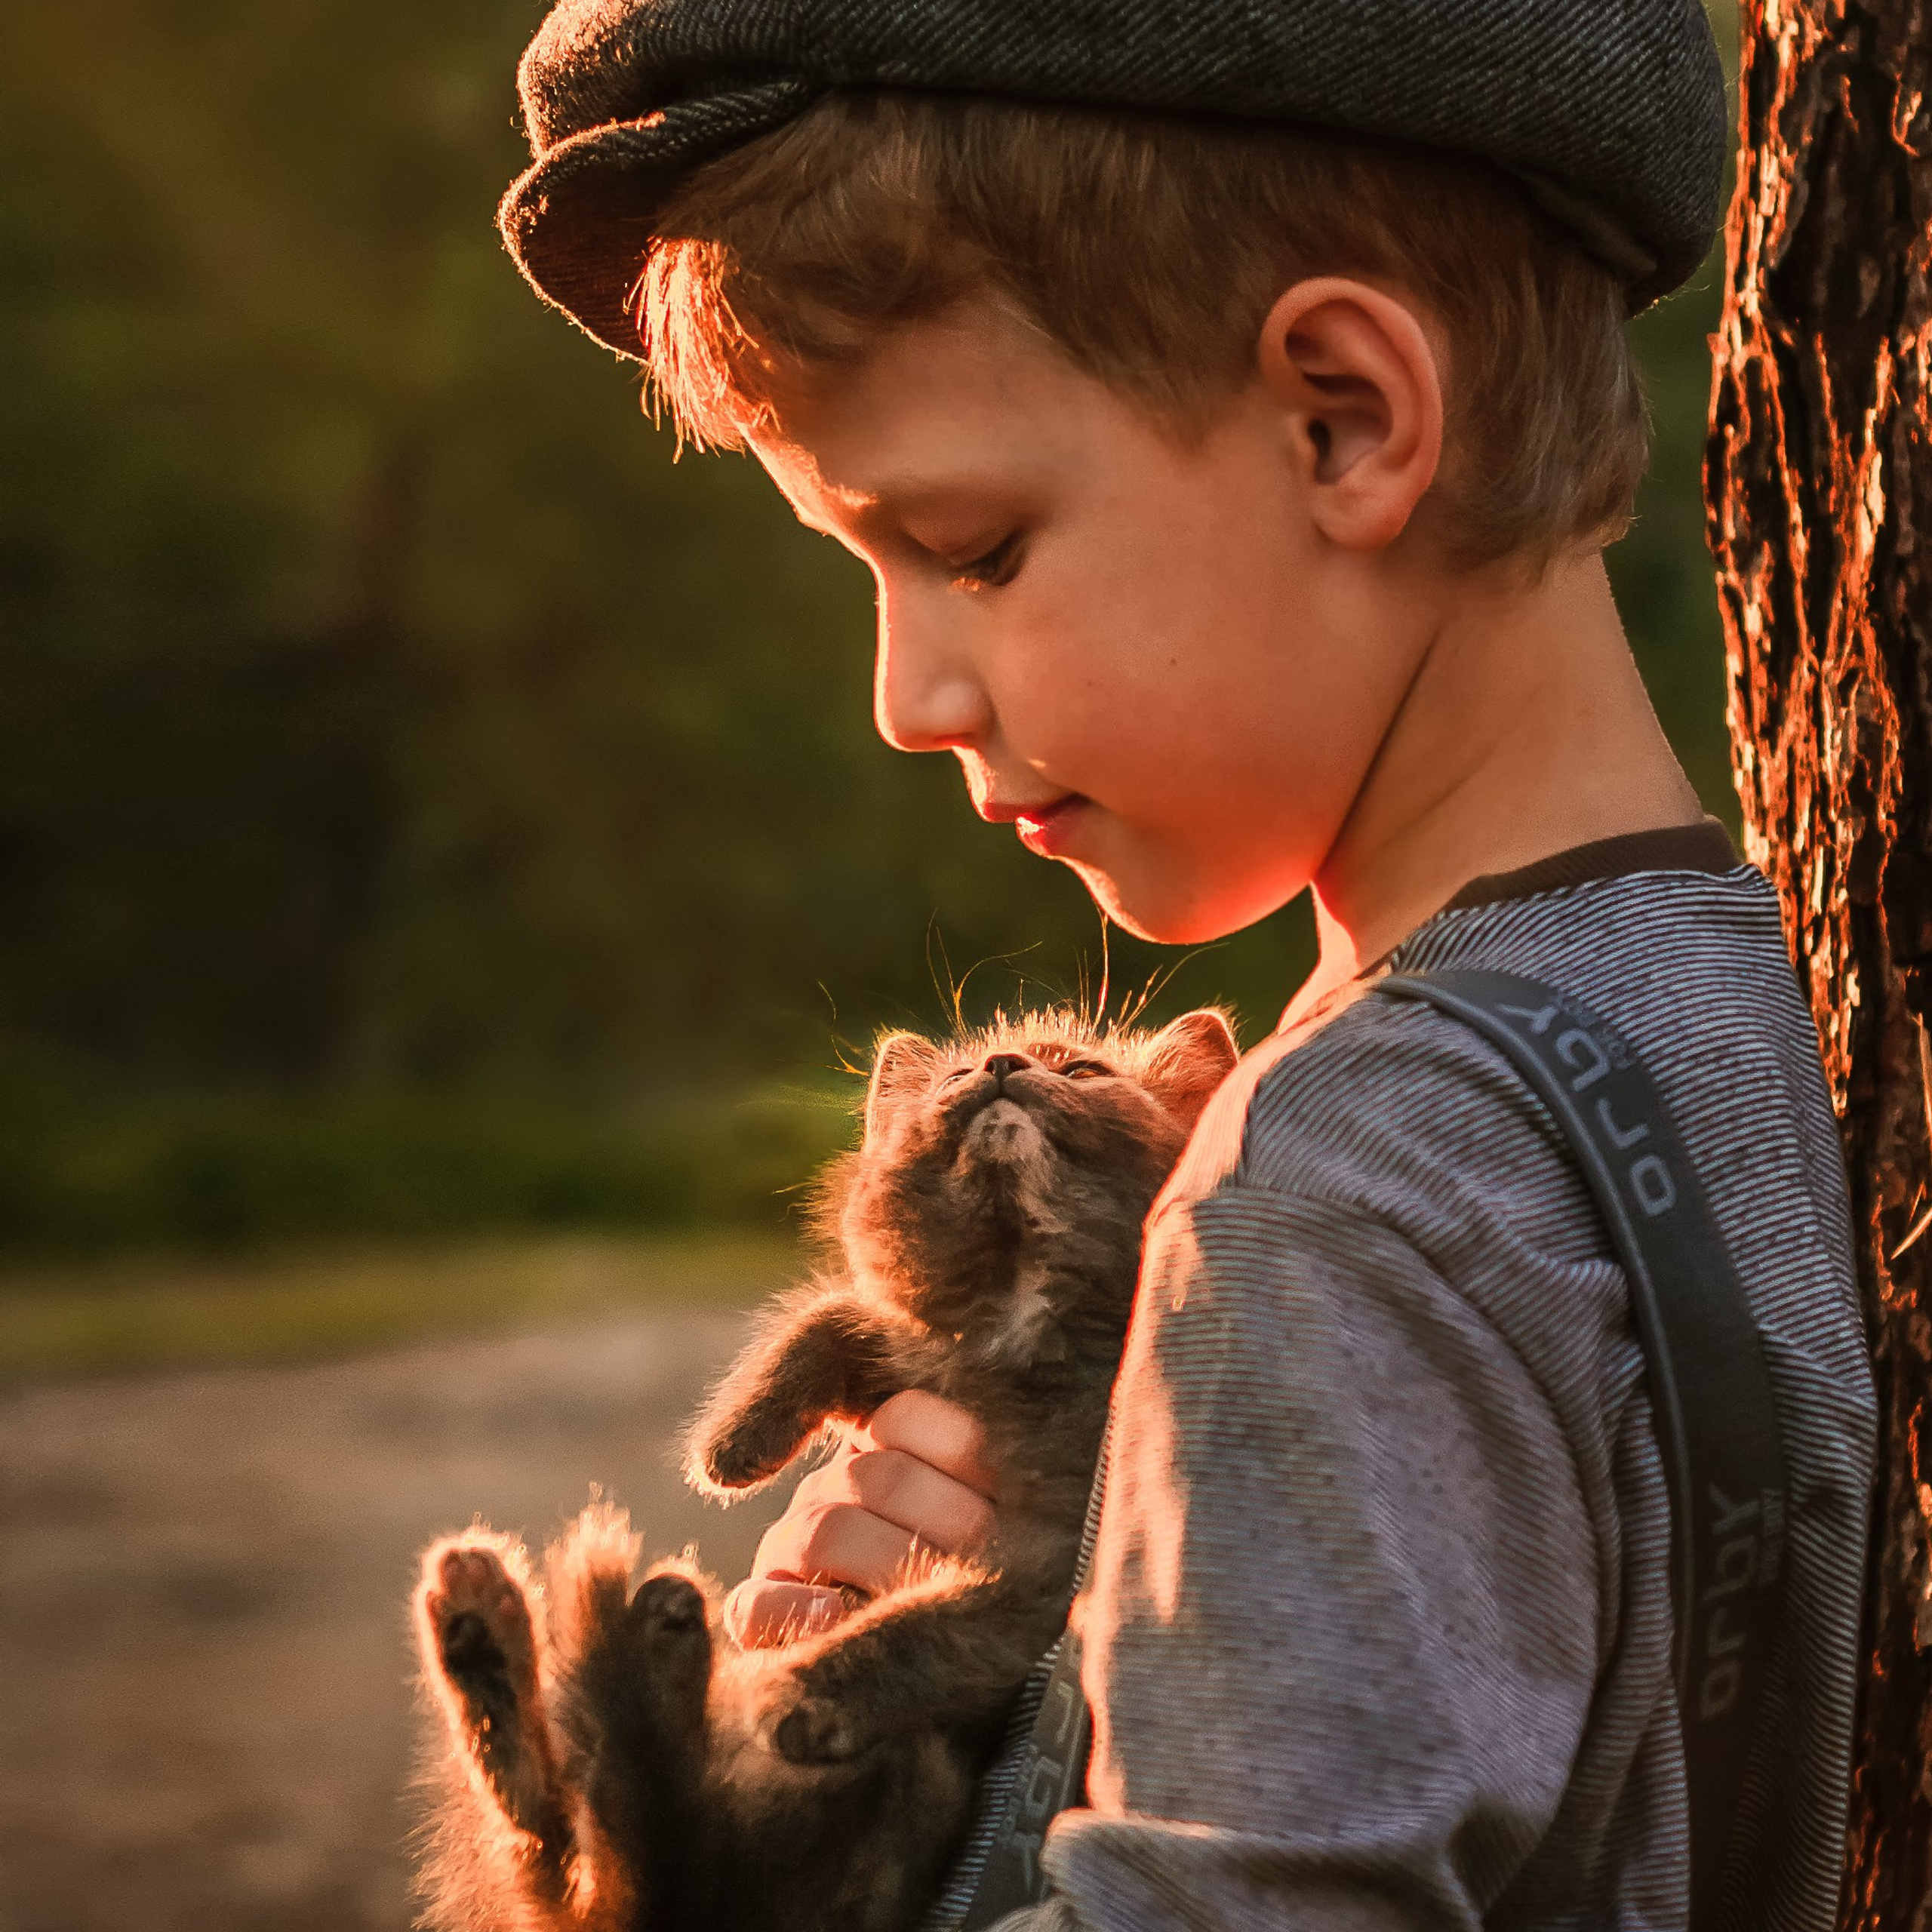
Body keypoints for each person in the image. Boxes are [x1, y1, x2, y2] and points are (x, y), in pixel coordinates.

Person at [496, 5, 1878, 1927]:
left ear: (1346, 417)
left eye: (971, 548)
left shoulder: (1335, 1184)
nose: (904, 699)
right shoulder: (1715, 994)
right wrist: (1091, 1607)